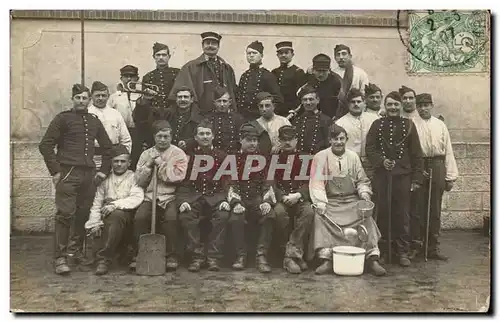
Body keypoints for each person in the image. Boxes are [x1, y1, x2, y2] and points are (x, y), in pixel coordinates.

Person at [39, 84, 113, 275]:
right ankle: (60, 257)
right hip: (68, 172)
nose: (81, 101)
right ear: (72, 99)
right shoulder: (63, 119)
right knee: (65, 214)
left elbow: (108, 148)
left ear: (89, 101)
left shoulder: (94, 121)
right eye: (78, 98)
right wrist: (55, 171)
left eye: (84, 98)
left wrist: (103, 170)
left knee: (83, 213)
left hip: (89, 175)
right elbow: (45, 145)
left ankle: (75, 251)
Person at [309, 124, 386, 276]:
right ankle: (327, 259)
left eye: (342, 139)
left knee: (366, 217)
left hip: (351, 200)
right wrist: (320, 202)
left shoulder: (353, 156)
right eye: (335, 139)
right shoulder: (320, 157)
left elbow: (362, 180)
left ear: (346, 139)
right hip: (331, 201)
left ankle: (372, 258)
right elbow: (317, 182)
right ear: (330, 140)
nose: (339, 142)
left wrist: (364, 194)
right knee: (320, 217)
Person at [365, 91, 424, 267]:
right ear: (385, 106)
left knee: (402, 214)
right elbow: (370, 148)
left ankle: (402, 251)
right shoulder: (377, 125)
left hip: (403, 177)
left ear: (401, 106)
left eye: (396, 104)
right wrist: (382, 161)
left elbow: (417, 154)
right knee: (383, 213)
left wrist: (416, 179)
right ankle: (383, 250)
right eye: (389, 104)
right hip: (382, 177)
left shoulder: (409, 125)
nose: (392, 107)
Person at [131, 120, 188, 271]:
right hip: (150, 196)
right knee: (140, 218)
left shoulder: (178, 154)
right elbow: (139, 180)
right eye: (159, 136)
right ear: (154, 137)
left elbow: (177, 177)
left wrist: (161, 164)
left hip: (170, 196)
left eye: (166, 137)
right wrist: (149, 165)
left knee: (171, 219)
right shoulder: (146, 154)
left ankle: (171, 255)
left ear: (171, 137)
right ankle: (141, 253)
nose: (162, 140)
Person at [176, 120, 233, 272]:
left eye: (208, 133)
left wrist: (225, 200)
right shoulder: (188, 158)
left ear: (213, 136)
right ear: (195, 137)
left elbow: (228, 181)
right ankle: (197, 257)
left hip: (216, 197)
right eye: (201, 134)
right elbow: (183, 183)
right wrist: (183, 201)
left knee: (222, 215)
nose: (205, 136)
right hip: (195, 197)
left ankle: (214, 257)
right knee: (186, 216)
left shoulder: (222, 156)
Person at [411, 93, 458, 260]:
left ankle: (433, 247)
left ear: (431, 105)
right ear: (416, 107)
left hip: (437, 165)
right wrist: (416, 171)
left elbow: (448, 150)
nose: (423, 108)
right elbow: (410, 152)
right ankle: (417, 245)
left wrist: (450, 176)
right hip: (420, 165)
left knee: (435, 208)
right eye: (420, 105)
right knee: (417, 207)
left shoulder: (440, 125)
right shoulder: (412, 124)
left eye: (426, 105)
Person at [85, 145, 144, 275]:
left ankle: (104, 259)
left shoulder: (134, 177)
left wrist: (114, 205)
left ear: (129, 163)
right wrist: (94, 223)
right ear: (111, 162)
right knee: (108, 219)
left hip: (128, 216)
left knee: (117, 215)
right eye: (116, 161)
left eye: (122, 161)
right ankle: (104, 258)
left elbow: (136, 198)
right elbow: (97, 203)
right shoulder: (105, 179)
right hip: (107, 215)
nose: (119, 164)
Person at [227, 123, 275, 273]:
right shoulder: (233, 158)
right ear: (241, 140)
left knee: (269, 215)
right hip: (240, 198)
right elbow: (230, 182)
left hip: (257, 198)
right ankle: (241, 255)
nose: (253, 143)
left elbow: (269, 181)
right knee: (236, 218)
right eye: (249, 140)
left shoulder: (264, 159)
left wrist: (266, 201)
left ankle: (261, 256)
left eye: (255, 140)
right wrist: (236, 202)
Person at [272, 125, 315, 274]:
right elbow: (271, 182)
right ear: (279, 141)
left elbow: (309, 181)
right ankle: (294, 255)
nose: (288, 143)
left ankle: (290, 256)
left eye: (291, 139)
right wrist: (281, 196)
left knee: (309, 212)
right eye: (284, 140)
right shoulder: (274, 158)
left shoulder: (305, 157)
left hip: (299, 197)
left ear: (296, 140)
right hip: (282, 198)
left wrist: (298, 195)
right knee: (278, 213)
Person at [169, 32, 238, 115]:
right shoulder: (190, 67)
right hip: (200, 115)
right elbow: (183, 94)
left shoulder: (227, 68)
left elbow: (232, 92)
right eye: (207, 43)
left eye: (214, 43)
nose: (210, 46)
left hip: (223, 114)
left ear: (218, 46)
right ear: (202, 46)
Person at [335, 88, 379, 178]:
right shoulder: (340, 123)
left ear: (364, 103)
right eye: (353, 102)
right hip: (350, 166)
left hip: (372, 165)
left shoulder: (374, 119)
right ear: (348, 104)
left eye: (359, 102)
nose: (356, 104)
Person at [88, 81, 132, 170]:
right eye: (97, 95)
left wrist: (121, 158)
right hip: (91, 159)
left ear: (108, 96)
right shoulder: (87, 113)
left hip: (113, 160)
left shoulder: (115, 114)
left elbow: (126, 139)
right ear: (91, 96)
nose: (101, 98)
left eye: (103, 95)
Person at [236, 40, 284, 121]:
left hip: (260, 118)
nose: (251, 55)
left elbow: (278, 99)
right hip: (243, 117)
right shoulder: (244, 76)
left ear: (261, 55)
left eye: (254, 53)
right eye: (249, 53)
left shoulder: (267, 75)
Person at [108, 65, 144, 170]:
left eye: (132, 76)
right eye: (126, 76)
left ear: (137, 79)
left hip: (137, 132)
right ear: (121, 79)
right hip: (121, 133)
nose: (129, 79)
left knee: (136, 160)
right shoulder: (114, 97)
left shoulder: (141, 96)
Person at [299, 54, 345, 119]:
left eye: (324, 71)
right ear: (313, 70)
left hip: (329, 117)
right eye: (318, 71)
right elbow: (301, 98)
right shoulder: (309, 79)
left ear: (329, 70)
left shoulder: (336, 82)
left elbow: (340, 103)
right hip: (309, 116)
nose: (321, 74)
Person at [203, 87, 245, 154]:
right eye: (219, 101)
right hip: (213, 154)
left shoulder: (238, 119)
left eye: (224, 101)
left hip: (232, 154)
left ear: (230, 102)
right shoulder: (208, 118)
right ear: (214, 102)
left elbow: (241, 139)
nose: (222, 104)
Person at [291, 85, 332, 155]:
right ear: (302, 102)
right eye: (305, 100)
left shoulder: (326, 121)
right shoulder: (297, 120)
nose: (308, 103)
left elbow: (329, 145)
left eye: (311, 99)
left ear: (318, 100)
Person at [271, 41, 307, 117]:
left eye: (286, 53)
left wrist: (294, 111)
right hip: (276, 112)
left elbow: (302, 95)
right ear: (277, 55)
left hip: (292, 112)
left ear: (292, 54)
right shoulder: (274, 72)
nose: (283, 55)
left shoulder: (298, 72)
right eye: (281, 53)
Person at [142, 42, 180, 110]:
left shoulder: (178, 73)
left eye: (164, 55)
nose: (161, 57)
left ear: (169, 56)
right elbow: (146, 102)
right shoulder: (147, 77)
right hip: (154, 114)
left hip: (174, 113)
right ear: (154, 57)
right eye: (158, 55)